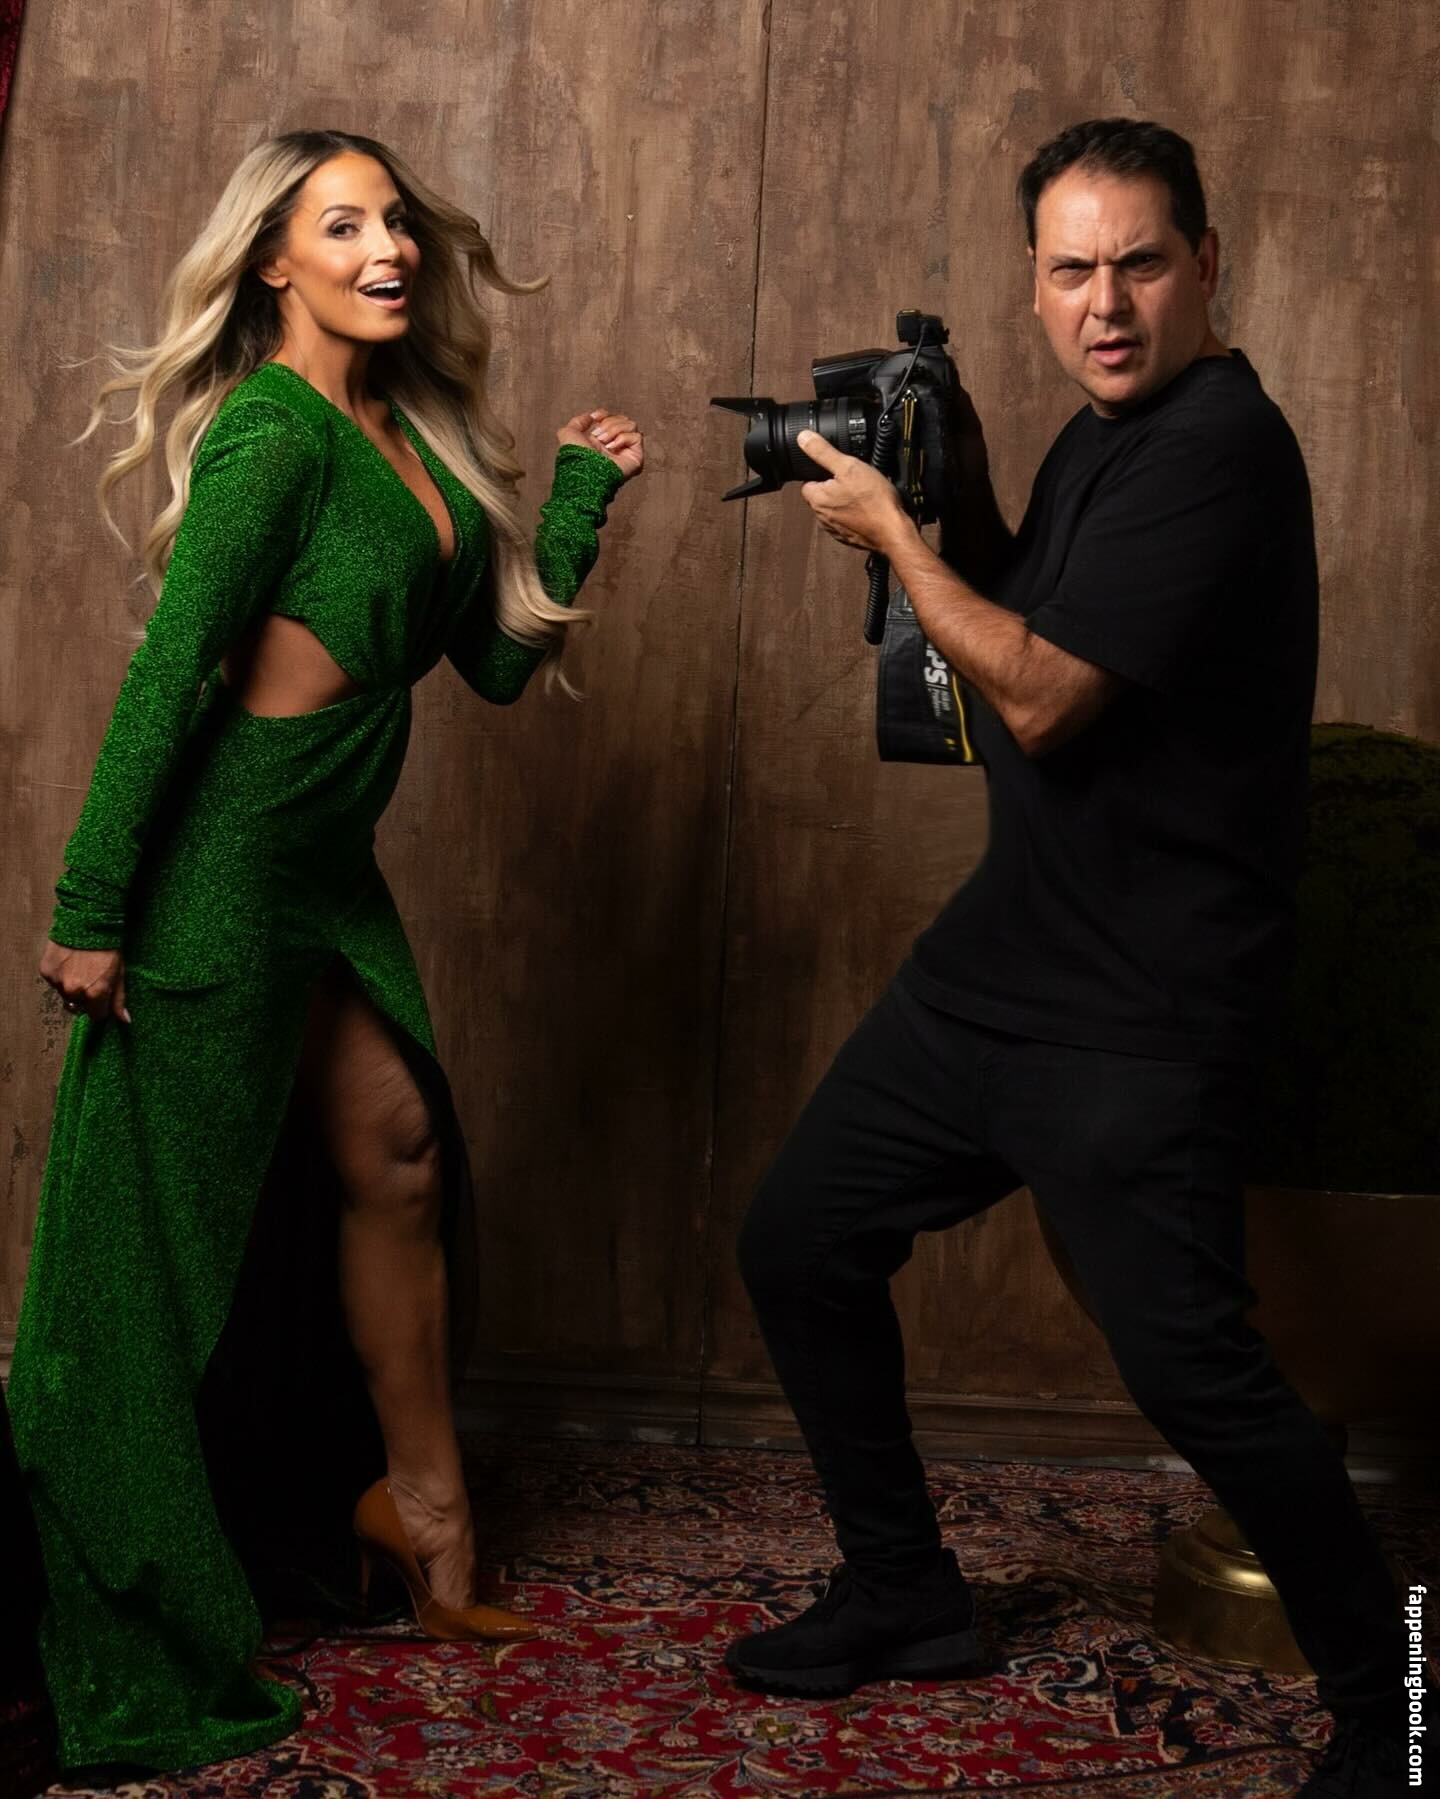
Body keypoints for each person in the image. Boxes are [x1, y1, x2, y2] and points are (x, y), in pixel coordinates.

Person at [725, 119, 1414, 1799]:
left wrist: (897, 539)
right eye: (1071, 270)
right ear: (1034, 283)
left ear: (1208, 266)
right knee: (800, 1241)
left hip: (1141, 1007)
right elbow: (1030, 619)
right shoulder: (1115, 431)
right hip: (1004, 964)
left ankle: (1394, 1699)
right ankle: (905, 1588)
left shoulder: (1219, 449)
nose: (1105, 305)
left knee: (1198, 1375)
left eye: (1141, 265)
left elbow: (1039, 695)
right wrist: (949, 486)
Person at [9, 128, 643, 1774]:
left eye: (395, 222)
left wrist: (576, 498)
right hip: (219, 871)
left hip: (321, 867)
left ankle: (424, 1515)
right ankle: (116, 1582)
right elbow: (173, 669)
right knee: (151, 1259)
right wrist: (93, 905)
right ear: (272, 261)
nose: (387, 250)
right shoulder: (273, 435)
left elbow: (490, 671)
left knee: (399, 1153)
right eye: (341, 225)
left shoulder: (408, 434)